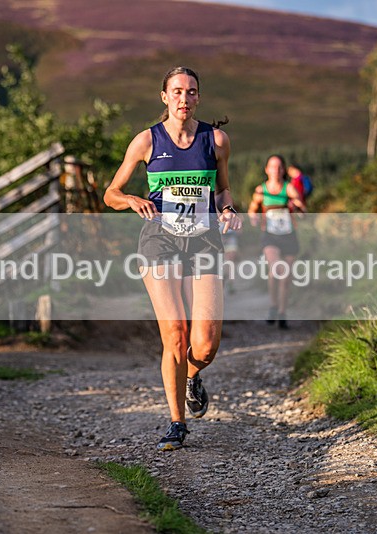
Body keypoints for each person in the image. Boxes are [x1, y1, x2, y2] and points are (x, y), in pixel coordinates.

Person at [104, 66, 241, 451]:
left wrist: (228, 210)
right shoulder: (146, 141)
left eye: (192, 92)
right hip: (158, 242)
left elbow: (224, 189)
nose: (184, 98)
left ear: (198, 98)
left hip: (204, 243)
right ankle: (177, 422)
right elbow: (110, 193)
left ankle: (191, 376)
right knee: (175, 335)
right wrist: (129, 199)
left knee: (207, 343)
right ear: (164, 97)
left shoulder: (215, 140)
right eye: (177, 91)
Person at [248, 155, 305, 329]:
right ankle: (273, 304)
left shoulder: (289, 189)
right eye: (272, 166)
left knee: (285, 276)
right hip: (269, 235)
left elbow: (303, 210)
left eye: (279, 167)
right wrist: (254, 219)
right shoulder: (261, 189)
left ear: (283, 170)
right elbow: (252, 210)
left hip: (288, 235)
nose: (276, 170)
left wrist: (297, 207)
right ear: (266, 169)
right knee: (276, 268)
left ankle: (281, 313)